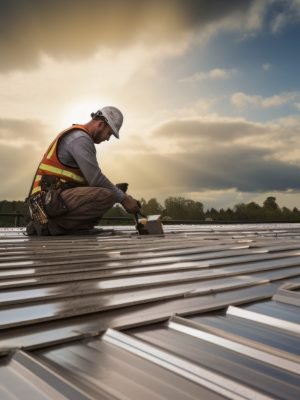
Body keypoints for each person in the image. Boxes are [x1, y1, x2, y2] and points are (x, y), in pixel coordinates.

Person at [26, 106, 140, 235]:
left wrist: (118, 191)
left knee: (110, 192)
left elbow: (87, 181)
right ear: (101, 124)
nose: (108, 139)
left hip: (51, 201)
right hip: (45, 204)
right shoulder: (80, 139)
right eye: (109, 133)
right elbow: (96, 179)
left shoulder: (79, 137)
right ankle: (48, 227)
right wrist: (123, 198)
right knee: (107, 195)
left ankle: (70, 227)